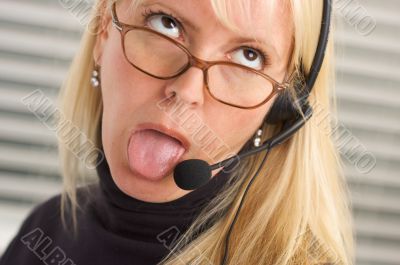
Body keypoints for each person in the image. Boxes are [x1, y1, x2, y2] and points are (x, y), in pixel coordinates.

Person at [0, 0, 354, 264]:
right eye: (166, 23)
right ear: (103, 33)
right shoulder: (45, 230)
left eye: (248, 56)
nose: (186, 90)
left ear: (281, 109)